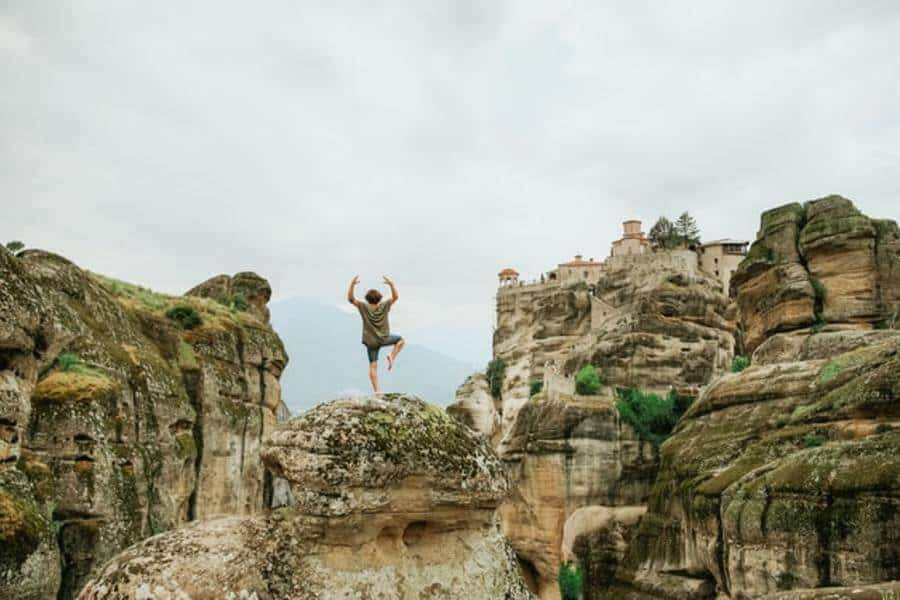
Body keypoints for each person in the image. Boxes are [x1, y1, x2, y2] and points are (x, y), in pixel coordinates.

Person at [347, 275, 405, 393]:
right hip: (384, 339)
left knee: (373, 366)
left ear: (367, 299)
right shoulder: (384, 306)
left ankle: (377, 391)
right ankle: (392, 357)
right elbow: (396, 297)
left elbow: (351, 299)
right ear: (379, 298)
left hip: (371, 342)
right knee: (401, 340)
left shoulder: (363, 307)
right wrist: (391, 285)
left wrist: (352, 285)